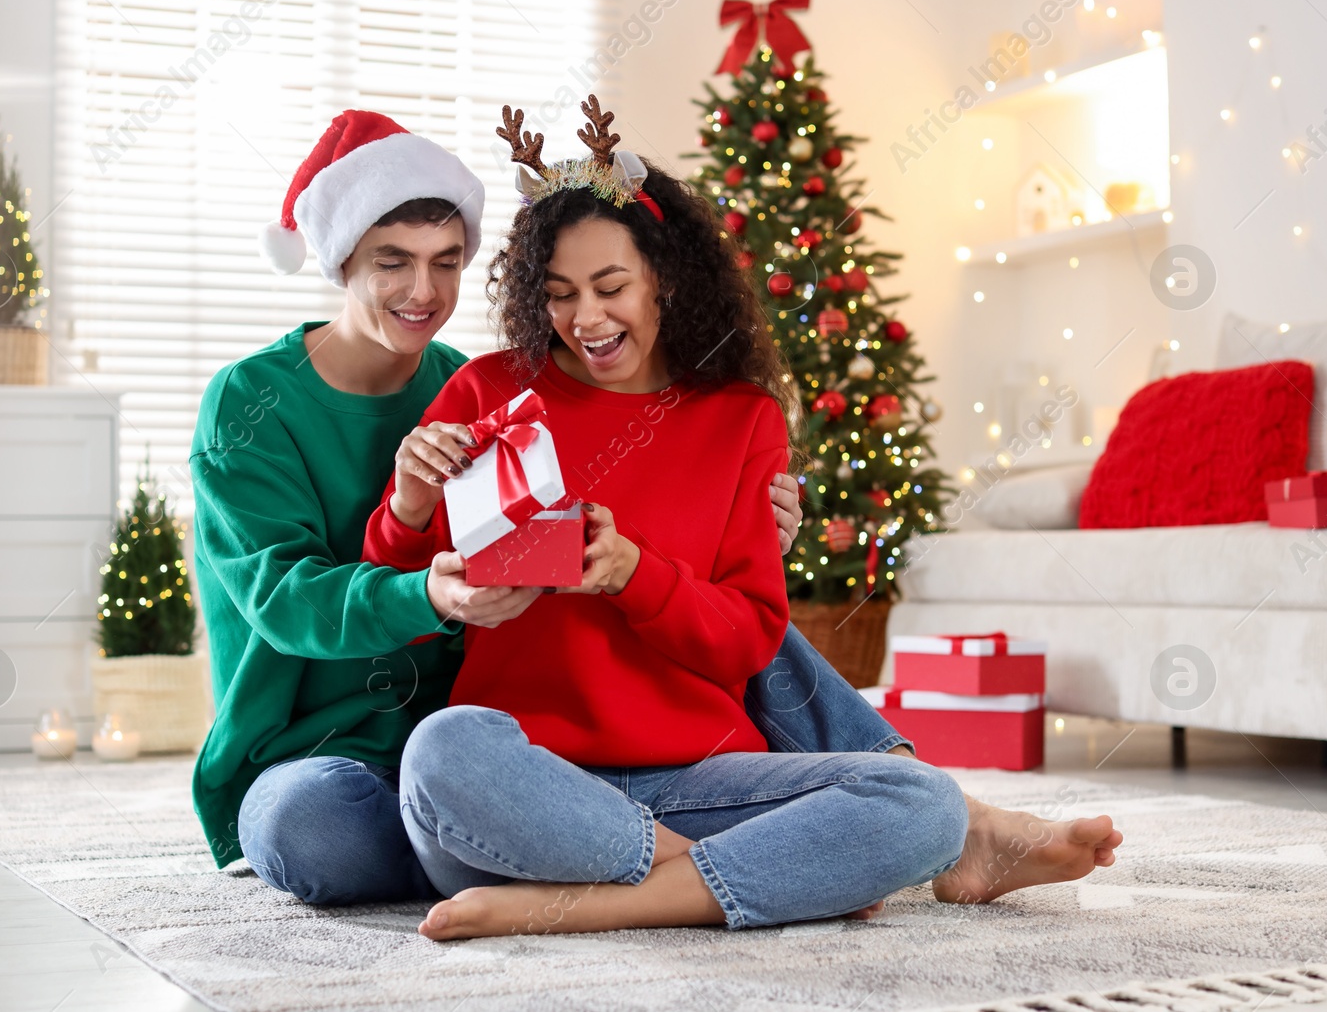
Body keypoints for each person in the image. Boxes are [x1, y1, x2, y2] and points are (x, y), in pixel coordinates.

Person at [364, 99, 1121, 939]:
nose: (586, 319)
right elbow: (408, 612)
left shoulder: (741, 418)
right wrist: (409, 503)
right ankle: (757, 876)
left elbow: (750, 640)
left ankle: (584, 905)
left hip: (697, 780)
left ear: (667, 279)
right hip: (527, 791)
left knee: (923, 803)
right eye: (560, 294)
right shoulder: (489, 392)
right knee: (441, 752)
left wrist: (632, 573)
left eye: (611, 287)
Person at [189, 108, 805, 902]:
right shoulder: (253, 402)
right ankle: (573, 844)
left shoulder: (472, 379)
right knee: (311, 832)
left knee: (753, 614)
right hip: (332, 743)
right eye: (392, 264)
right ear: (340, 261)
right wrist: (426, 575)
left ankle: (901, 786)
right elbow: (285, 601)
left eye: (446, 262)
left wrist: (746, 523)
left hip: (467, 722)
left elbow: (620, 515)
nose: (424, 290)